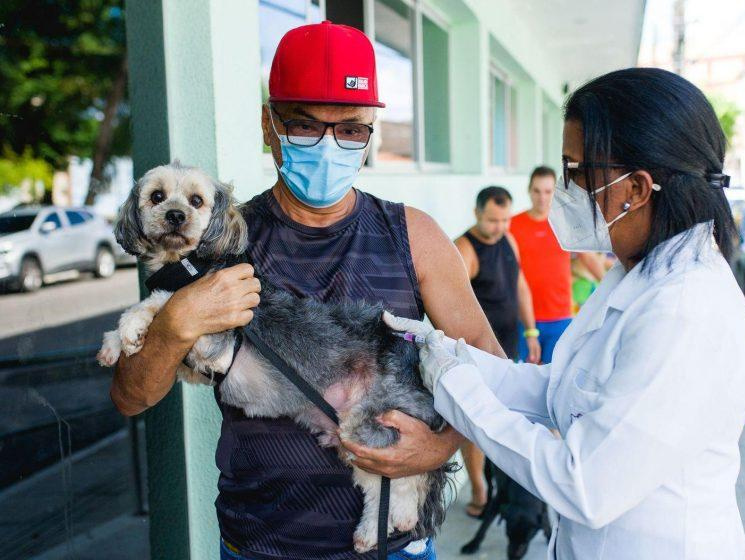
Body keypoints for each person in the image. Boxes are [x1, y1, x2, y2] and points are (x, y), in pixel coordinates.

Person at [110, 21, 504, 560]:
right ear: (268, 126)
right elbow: (132, 397)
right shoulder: (216, 238)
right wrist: (177, 322)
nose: (328, 144)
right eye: (303, 125)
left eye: (351, 130)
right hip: (259, 542)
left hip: (394, 542)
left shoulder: (416, 235)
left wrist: (440, 445)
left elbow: (488, 360)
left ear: (372, 131)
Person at [382, 68, 745, 559]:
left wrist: (455, 388)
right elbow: (557, 391)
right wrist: (438, 351)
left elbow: (584, 484)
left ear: (636, 188)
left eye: (577, 171)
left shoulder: (685, 310)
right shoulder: (636, 275)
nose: (565, 190)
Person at [453, 186, 539, 518]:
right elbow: (452, 306)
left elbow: (520, 286)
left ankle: (500, 484)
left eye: (505, 219)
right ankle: (479, 491)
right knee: (473, 425)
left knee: (505, 417)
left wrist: (530, 330)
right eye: (492, 220)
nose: (500, 227)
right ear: (477, 214)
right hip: (477, 354)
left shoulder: (508, 239)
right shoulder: (464, 249)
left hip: (509, 344)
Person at [510, 166, 604, 363]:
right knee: (524, 378)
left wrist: (613, 284)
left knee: (554, 377)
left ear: (555, 192)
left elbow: (588, 259)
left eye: (547, 191)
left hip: (560, 316)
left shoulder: (565, 224)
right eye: (536, 191)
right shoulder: (512, 225)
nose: (542, 198)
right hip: (524, 318)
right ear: (529, 190)